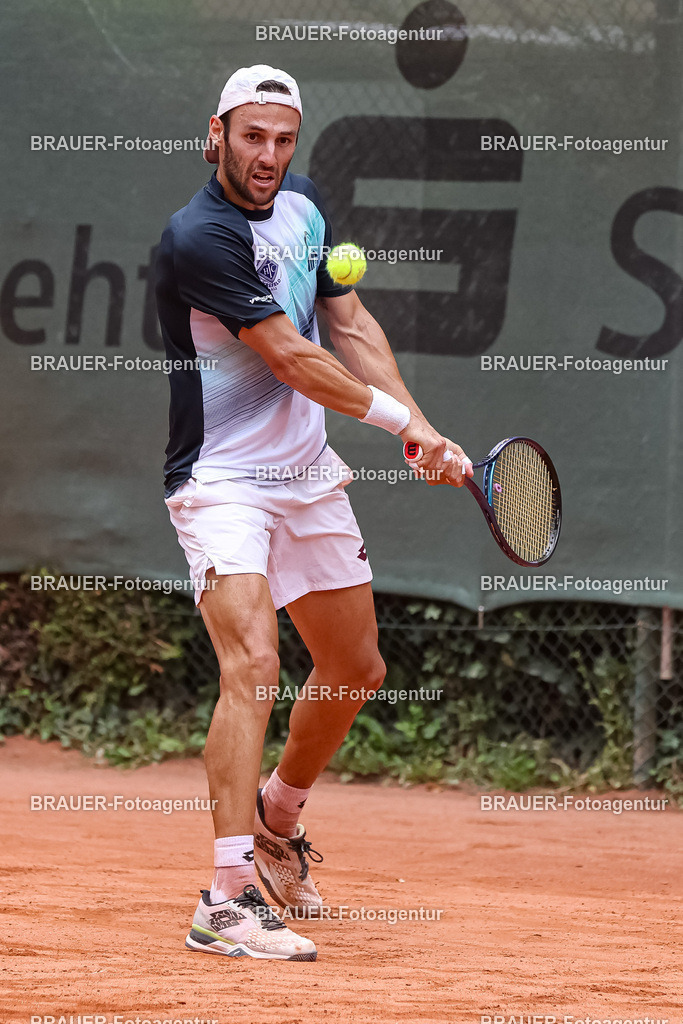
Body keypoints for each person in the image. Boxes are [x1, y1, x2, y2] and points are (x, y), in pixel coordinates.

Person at [156, 64, 472, 962]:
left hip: (304, 475)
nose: (267, 155)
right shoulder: (198, 237)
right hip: (220, 481)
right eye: (251, 136)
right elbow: (291, 357)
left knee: (355, 666)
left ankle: (277, 825)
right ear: (216, 133)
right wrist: (400, 424)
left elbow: (352, 326)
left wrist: (420, 423)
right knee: (252, 661)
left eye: (282, 138)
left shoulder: (304, 208)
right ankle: (223, 901)